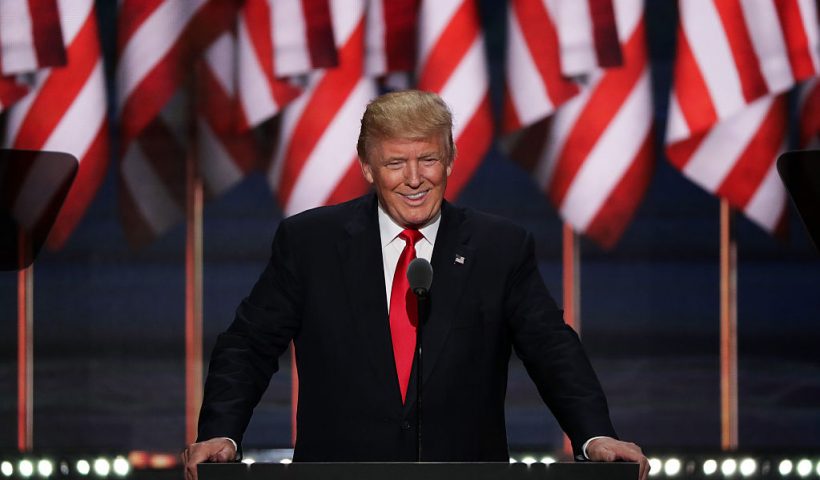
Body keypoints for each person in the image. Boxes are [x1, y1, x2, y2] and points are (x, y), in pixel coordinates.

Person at [182, 90, 649, 480]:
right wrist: (221, 432)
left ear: (450, 159)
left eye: (428, 159)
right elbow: (249, 344)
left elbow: (551, 348)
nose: (413, 180)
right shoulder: (311, 243)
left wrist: (593, 435)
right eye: (395, 164)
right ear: (367, 167)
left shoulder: (498, 246)